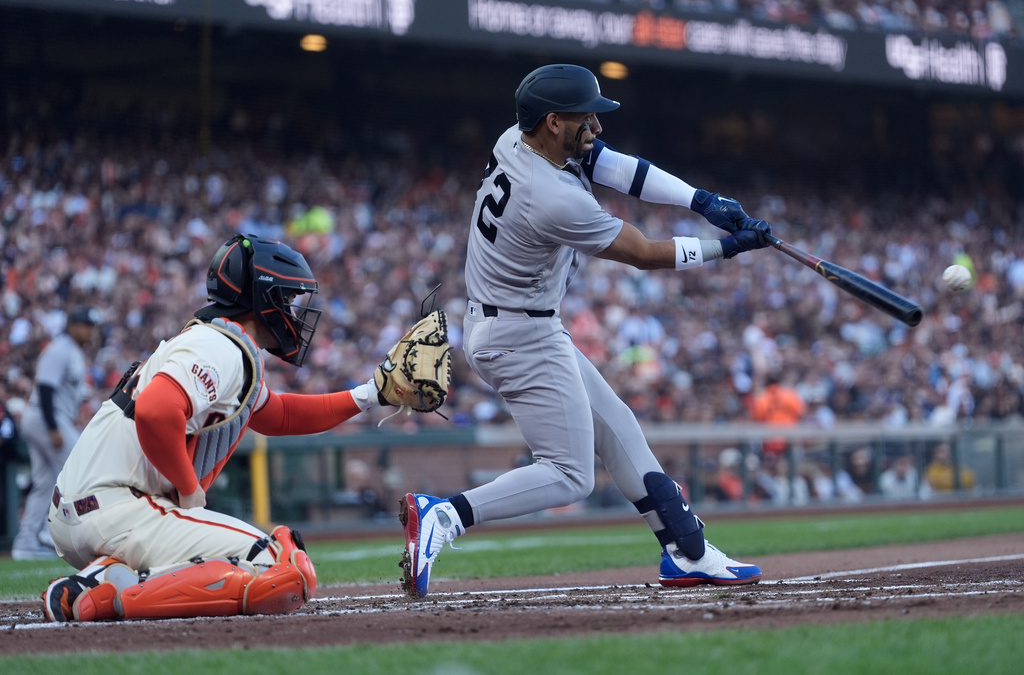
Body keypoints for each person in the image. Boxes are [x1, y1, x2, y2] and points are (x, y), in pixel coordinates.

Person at [398, 64, 771, 598]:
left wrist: (702, 201)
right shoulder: (552, 197)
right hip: (519, 335)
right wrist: (727, 247)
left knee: (619, 427)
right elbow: (643, 254)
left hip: (515, 322)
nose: (595, 126)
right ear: (553, 121)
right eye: (585, 118)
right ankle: (447, 514)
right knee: (571, 475)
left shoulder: (517, 138)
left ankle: (687, 551)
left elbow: (614, 166)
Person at [42, 234, 398, 622]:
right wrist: (189, 487)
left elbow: (278, 415)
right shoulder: (222, 347)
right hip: (119, 508)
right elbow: (155, 411)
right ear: (266, 298)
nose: (294, 313)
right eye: (289, 299)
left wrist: (370, 395)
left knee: (268, 566)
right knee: (280, 568)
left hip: (90, 512)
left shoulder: (218, 340)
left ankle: (106, 578)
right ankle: (103, 597)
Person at [11, 305, 101, 560]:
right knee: (79, 469)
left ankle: (26, 543)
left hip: (48, 418)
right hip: (44, 418)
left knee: (44, 483)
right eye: (86, 325)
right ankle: (48, 533)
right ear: (72, 325)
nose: (90, 331)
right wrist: (52, 428)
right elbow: (46, 388)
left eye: (92, 326)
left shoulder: (72, 350)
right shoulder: (61, 348)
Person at [749, 369, 807, 457]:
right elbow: (801, 413)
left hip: (770, 441)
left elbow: (757, 418)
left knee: (772, 466)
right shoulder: (790, 395)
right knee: (790, 467)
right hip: (789, 438)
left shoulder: (761, 398)